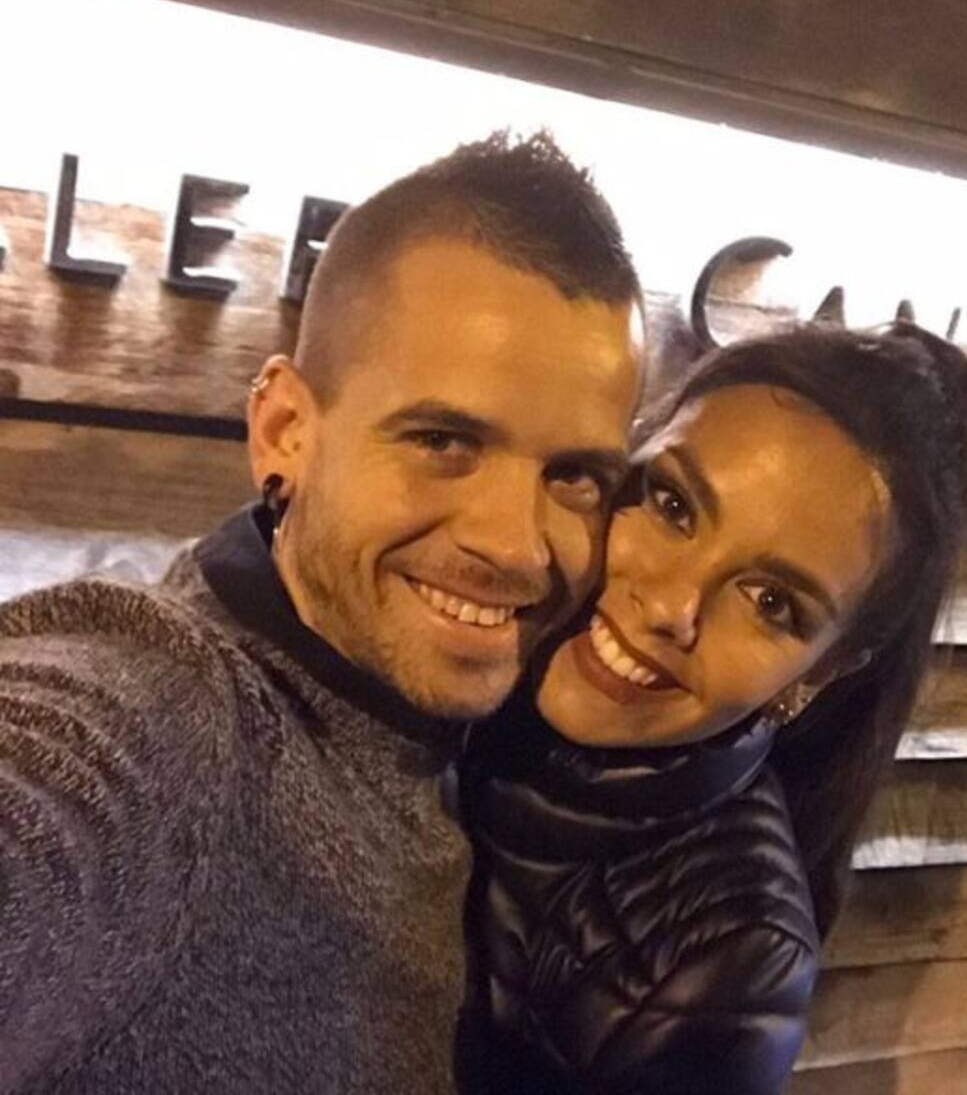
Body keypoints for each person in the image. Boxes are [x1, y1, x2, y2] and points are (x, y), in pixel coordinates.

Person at [0, 132, 645, 1094]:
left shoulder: (467, 734)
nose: (517, 546)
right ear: (285, 431)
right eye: (443, 440)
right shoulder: (163, 710)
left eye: (576, 475)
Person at [456, 321, 967, 1095]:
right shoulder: (455, 649)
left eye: (772, 602)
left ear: (821, 671)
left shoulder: (731, 964)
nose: (672, 607)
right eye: (673, 505)